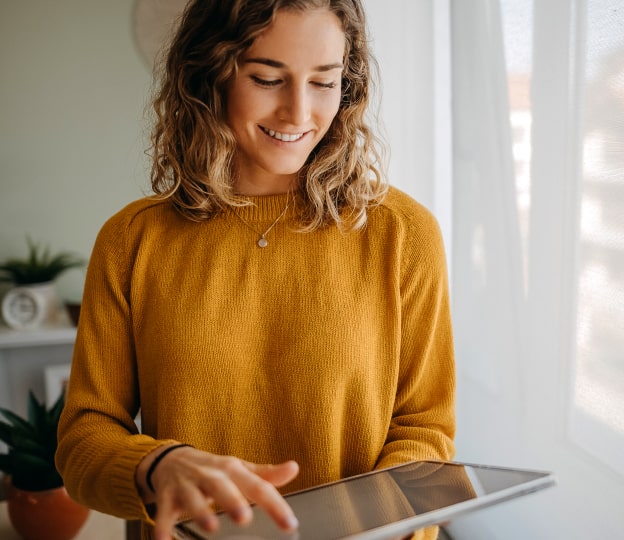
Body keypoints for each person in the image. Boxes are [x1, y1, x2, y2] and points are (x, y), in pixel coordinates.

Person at [54, 1, 456, 539]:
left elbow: (425, 429)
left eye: (324, 82)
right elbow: (84, 439)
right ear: (210, 75)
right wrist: (156, 467)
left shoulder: (404, 235)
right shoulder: (132, 242)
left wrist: (380, 522)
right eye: (268, 78)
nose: (298, 112)